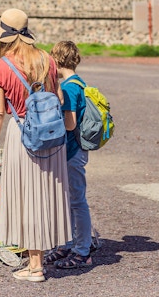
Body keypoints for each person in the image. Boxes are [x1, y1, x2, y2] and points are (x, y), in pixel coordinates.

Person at [0, 8, 71, 282]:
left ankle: (35, 267)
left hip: (22, 134)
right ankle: (39, 257)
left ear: (4, 37)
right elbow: (58, 98)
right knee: (44, 194)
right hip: (50, 134)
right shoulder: (48, 60)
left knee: (26, 196)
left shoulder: (1, 66)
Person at [47, 40, 93, 268]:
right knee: (67, 200)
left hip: (72, 151)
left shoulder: (68, 88)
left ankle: (83, 250)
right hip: (77, 150)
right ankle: (67, 243)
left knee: (76, 201)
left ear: (56, 60)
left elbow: (70, 124)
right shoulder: (79, 82)